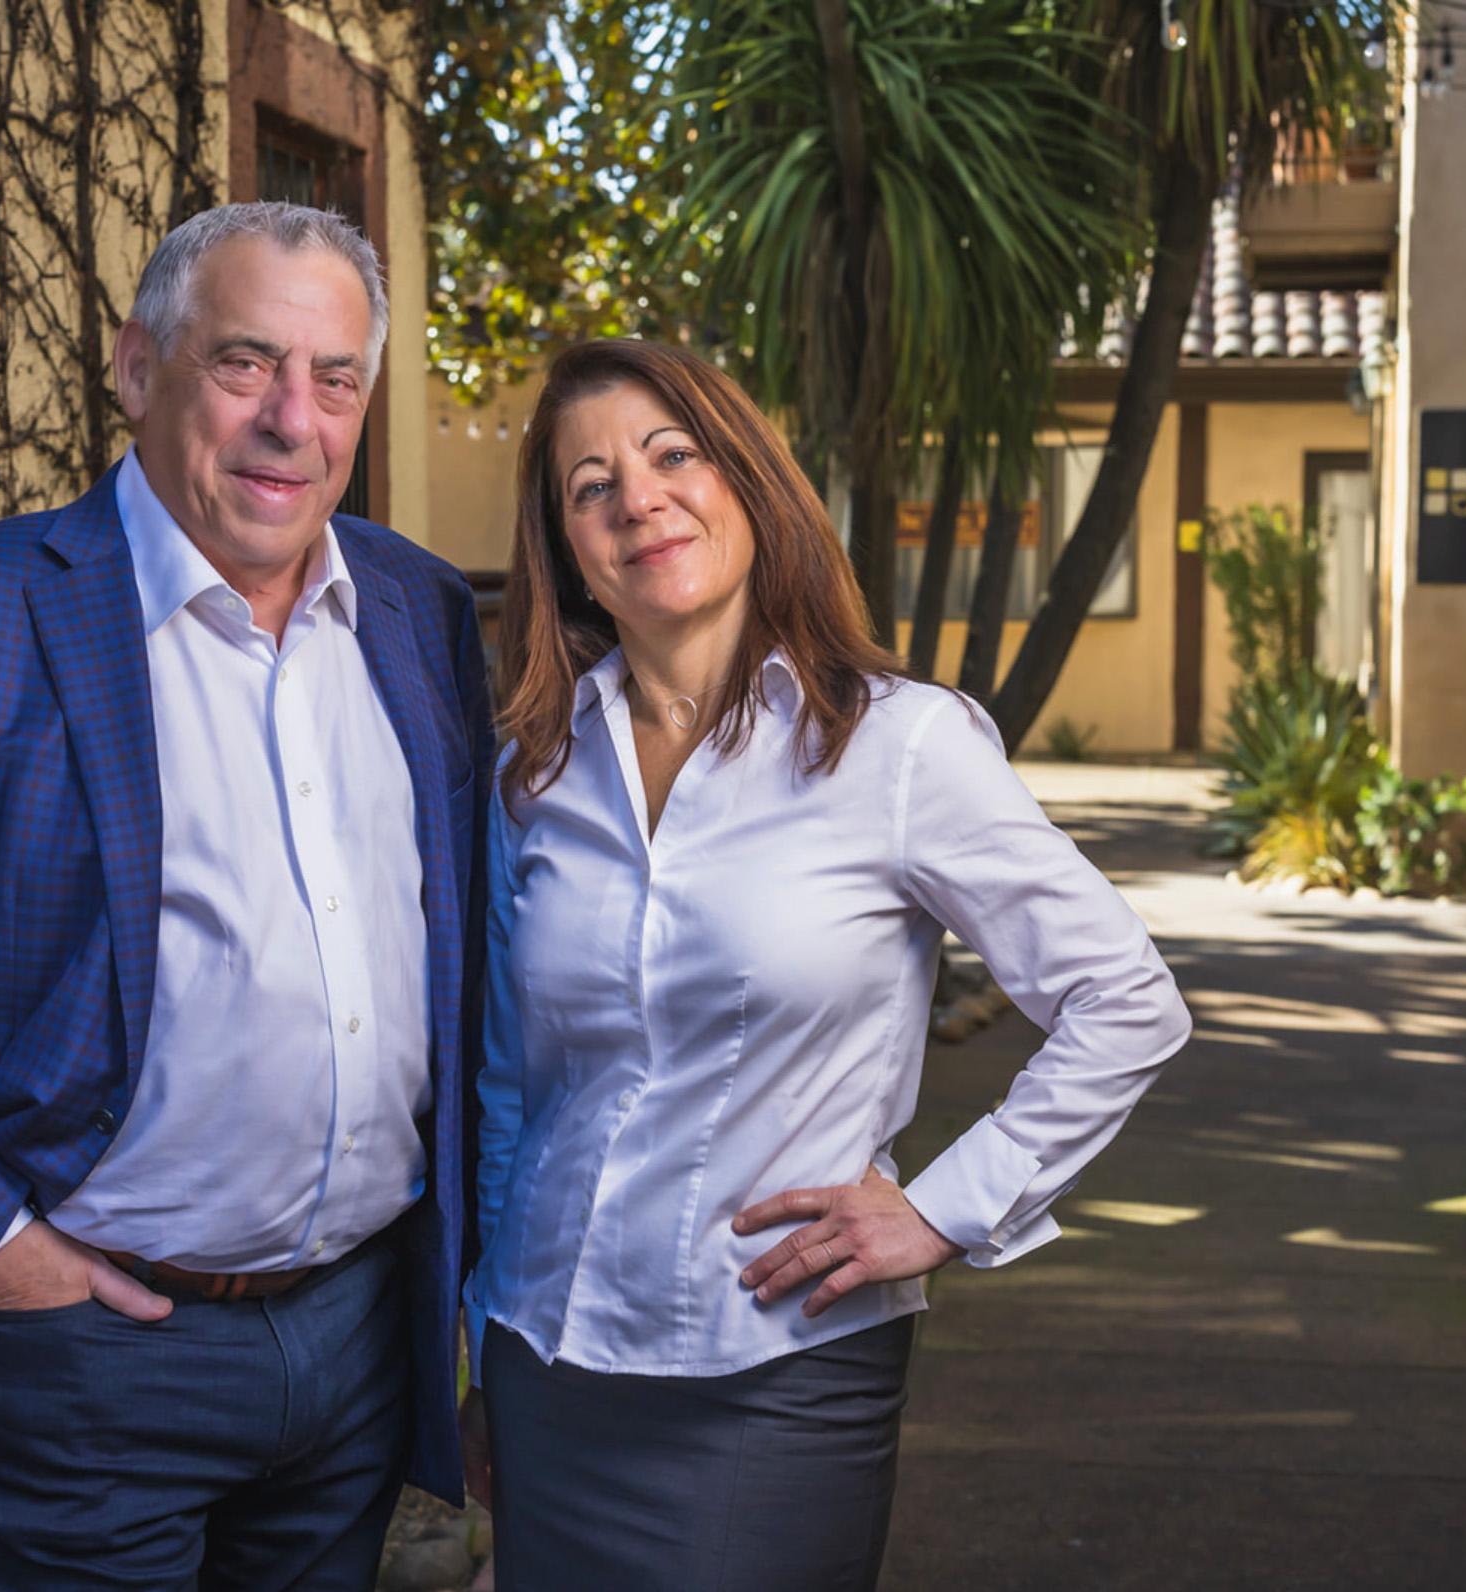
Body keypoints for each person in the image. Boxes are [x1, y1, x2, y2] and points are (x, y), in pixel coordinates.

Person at [0, 201, 492, 1590]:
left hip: (361, 1339)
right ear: (139, 367)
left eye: (335, 379)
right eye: (246, 362)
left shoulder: (416, 609)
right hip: (85, 1355)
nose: (291, 421)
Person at [459, 339, 1191, 1590]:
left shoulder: (895, 746)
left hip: (773, 1372)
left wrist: (945, 1209)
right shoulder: (535, 772)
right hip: (546, 1365)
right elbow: (510, 1091)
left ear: (745, 479)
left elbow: (1123, 999)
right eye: (589, 485)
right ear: (565, 549)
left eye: (670, 453)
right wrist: (479, 1349)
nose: (636, 498)